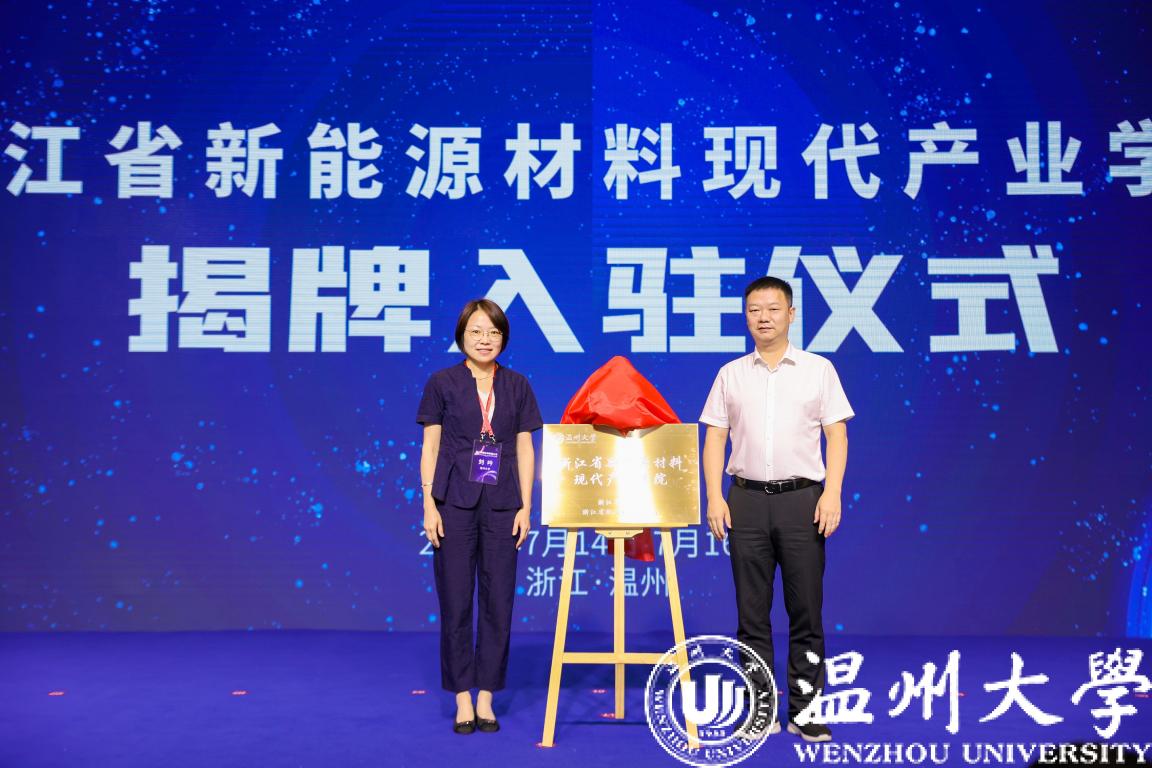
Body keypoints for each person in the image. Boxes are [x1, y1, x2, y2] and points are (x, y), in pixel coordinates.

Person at [699, 276, 853, 743]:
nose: (762, 317)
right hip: (745, 501)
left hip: (803, 501)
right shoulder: (730, 374)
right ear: (745, 316)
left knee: (806, 611)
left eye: (772, 308)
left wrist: (832, 493)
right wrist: (714, 496)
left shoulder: (818, 370)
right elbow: (715, 438)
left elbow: (838, 435)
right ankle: (759, 710)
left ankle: (805, 711)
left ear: (791, 314)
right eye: (754, 309)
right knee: (751, 616)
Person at [416, 299, 543, 735]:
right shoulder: (442, 383)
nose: (484, 339)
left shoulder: (518, 385)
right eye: (476, 331)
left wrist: (526, 505)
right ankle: (462, 697)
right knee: (455, 601)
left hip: (504, 504)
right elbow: (431, 447)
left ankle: (487, 694)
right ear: (461, 336)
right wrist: (428, 504)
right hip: (452, 502)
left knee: (498, 601)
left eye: (493, 332)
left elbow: (525, 448)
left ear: (503, 338)